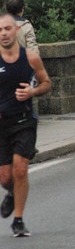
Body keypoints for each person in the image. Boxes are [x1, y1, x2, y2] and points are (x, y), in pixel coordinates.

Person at [0, 13, 51, 237]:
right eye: (0, 30)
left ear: (17, 31)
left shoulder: (30, 58)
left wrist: (33, 91)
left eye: (7, 29)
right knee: (5, 177)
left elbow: (46, 83)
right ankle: (11, 193)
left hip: (23, 121)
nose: (3, 33)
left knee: (20, 169)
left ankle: (18, 220)